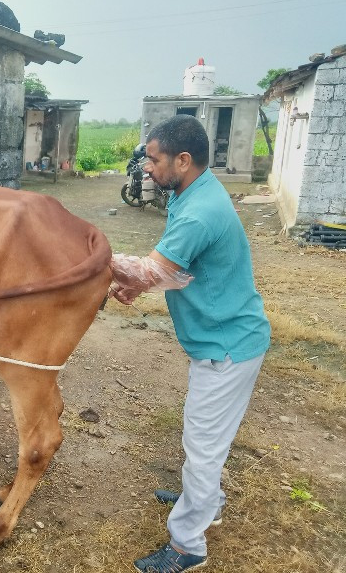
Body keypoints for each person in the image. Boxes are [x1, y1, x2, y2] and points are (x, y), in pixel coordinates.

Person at [109, 115, 271, 573]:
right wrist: (141, 284)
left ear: (183, 160)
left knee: (202, 442)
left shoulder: (200, 210)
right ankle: (208, 500)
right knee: (206, 435)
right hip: (224, 337)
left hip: (227, 345)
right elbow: (174, 268)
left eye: (154, 160)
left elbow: (151, 269)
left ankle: (187, 546)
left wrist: (99, 262)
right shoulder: (192, 191)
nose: (146, 169)